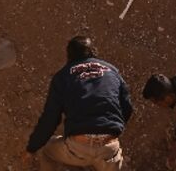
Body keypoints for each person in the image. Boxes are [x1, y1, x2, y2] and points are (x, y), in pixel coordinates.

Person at [24, 36, 134, 170]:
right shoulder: (112, 71)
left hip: (78, 148)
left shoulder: (62, 76)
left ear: (69, 56)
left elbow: (50, 119)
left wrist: (32, 148)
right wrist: (110, 129)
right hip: (109, 148)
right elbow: (127, 108)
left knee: (48, 151)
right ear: (93, 51)